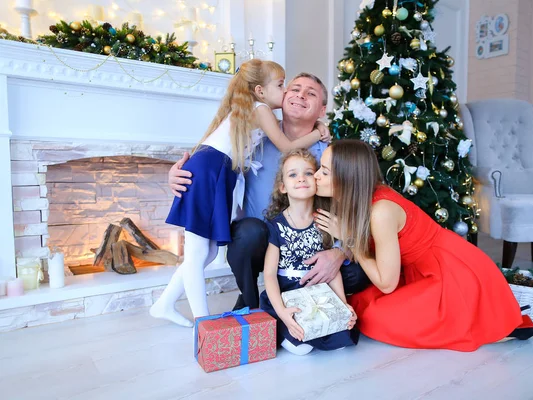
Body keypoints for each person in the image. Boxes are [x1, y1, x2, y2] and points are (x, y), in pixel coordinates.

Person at [167, 73, 371, 316]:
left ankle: (303, 297)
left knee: (357, 274)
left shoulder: (330, 156)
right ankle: (252, 302)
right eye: (294, 89)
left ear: (322, 110)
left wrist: (339, 252)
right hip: (262, 241)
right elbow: (212, 160)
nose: (300, 95)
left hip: (310, 248)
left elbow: (353, 210)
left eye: (311, 93)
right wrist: (179, 174)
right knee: (246, 233)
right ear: (283, 97)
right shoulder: (253, 140)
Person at [150, 60, 330, 327]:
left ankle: (164, 303)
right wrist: (317, 132)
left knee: (206, 254)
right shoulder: (261, 113)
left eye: (309, 93)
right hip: (211, 173)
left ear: (322, 108)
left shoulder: (256, 116)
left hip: (219, 174)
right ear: (260, 90)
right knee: (198, 254)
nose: (288, 93)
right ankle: (205, 324)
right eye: (284, 86)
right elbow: (287, 146)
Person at [313, 139, 533, 352]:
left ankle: (487, 327)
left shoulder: (380, 211)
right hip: (419, 268)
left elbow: (386, 285)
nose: (315, 176)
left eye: (324, 171)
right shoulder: (360, 197)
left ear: (347, 178)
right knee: (362, 302)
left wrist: (349, 239)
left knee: (375, 317)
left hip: (450, 273)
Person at [258, 149, 358, 355]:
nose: (301, 179)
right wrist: (282, 312)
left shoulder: (324, 220)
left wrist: (342, 304)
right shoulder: (276, 225)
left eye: (308, 173)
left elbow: (332, 270)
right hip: (288, 292)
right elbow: (269, 274)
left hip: (318, 289)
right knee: (301, 347)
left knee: (341, 340)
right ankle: (287, 325)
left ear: (317, 180)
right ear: (283, 187)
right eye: (293, 174)